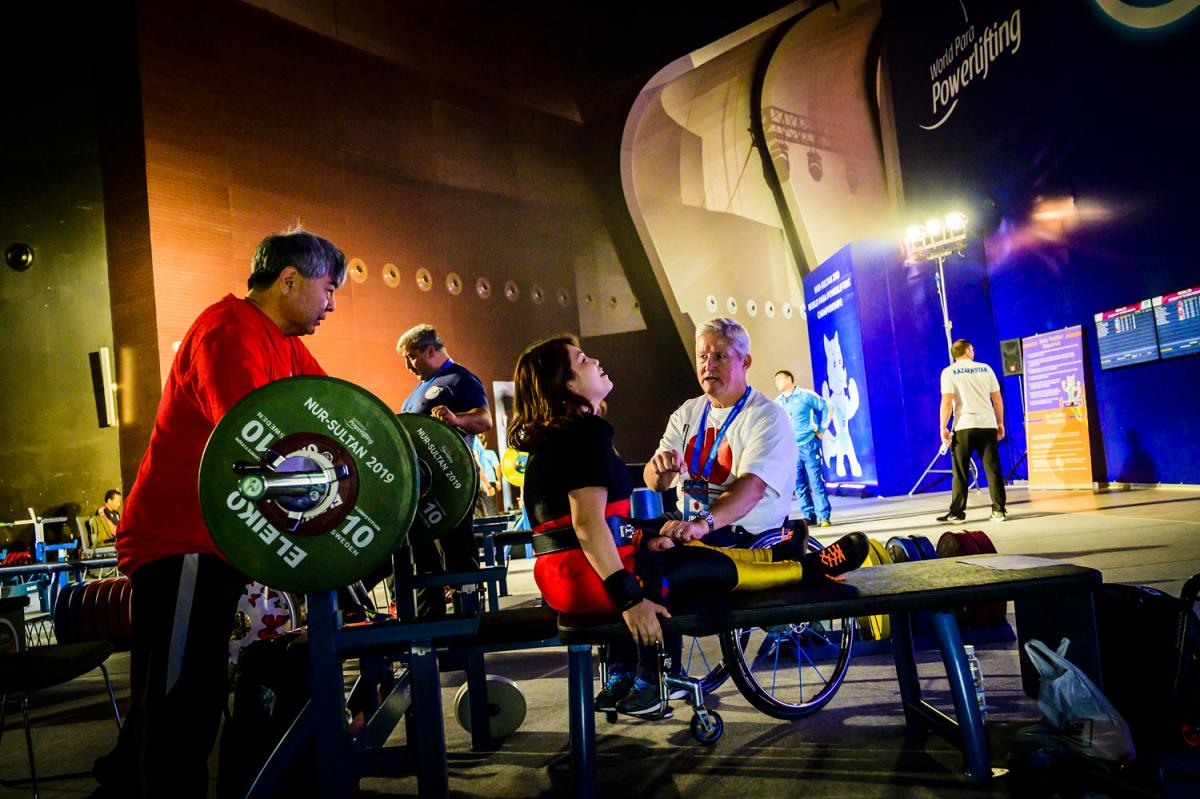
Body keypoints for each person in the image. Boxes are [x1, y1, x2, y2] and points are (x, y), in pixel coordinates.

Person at [91, 229, 345, 798]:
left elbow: (332, 410)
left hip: (215, 543)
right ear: (289, 280)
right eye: (328, 290)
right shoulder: (229, 331)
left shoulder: (283, 340)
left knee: (178, 694)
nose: (331, 305)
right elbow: (251, 438)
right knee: (184, 701)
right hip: (179, 543)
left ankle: (120, 787)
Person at [512, 335, 869, 717]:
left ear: (744, 362)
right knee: (700, 564)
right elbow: (587, 526)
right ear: (569, 385)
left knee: (675, 544)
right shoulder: (587, 433)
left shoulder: (548, 443)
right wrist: (630, 600)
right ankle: (804, 566)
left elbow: (584, 525)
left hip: (560, 583)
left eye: (719, 355)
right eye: (583, 360)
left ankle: (629, 672)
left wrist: (649, 536)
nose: (596, 361)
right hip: (592, 579)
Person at [643, 318, 797, 547]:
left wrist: (701, 525)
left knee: (670, 559)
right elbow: (654, 483)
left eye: (719, 356)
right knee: (620, 536)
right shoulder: (687, 412)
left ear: (745, 362)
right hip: (689, 520)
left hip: (742, 530)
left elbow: (751, 489)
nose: (709, 365)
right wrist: (660, 470)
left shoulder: (766, 415)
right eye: (702, 357)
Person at [396, 324, 492, 617]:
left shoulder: (460, 379)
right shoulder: (419, 389)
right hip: (423, 489)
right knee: (425, 562)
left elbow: (484, 419)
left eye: (411, 356)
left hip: (453, 485)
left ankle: (469, 627)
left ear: (430, 350)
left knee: (459, 556)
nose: (407, 365)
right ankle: (431, 632)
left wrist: (456, 419)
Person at [936, 339, 1007, 523]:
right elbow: (997, 399)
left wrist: (943, 426)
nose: (974, 351)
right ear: (967, 351)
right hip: (987, 425)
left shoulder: (948, 372)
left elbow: (946, 401)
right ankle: (999, 510)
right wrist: (1000, 423)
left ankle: (957, 513)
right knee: (993, 469)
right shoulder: (986, 369)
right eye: (972, 349)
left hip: (964, 426)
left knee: (960, 471)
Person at [773, 370, 832, 528]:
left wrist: (822, 428)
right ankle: (808, 515)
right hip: (791, 448)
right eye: (775, 381)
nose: (777, 383)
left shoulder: (805, 395)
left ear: (789, 379)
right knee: (798, 484)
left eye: (779, 379)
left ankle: (823, 516)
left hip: (808, 444)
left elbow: (827, 406)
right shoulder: (777, 402)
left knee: (815, 481)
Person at [472, 434, 502, 518]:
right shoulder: (490, 453)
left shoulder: (472, 448)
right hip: (489, 483)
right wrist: (499, 481)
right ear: (485, 444)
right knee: (492, 513)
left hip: (476, 485)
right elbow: (497, 468)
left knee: (479, 515)